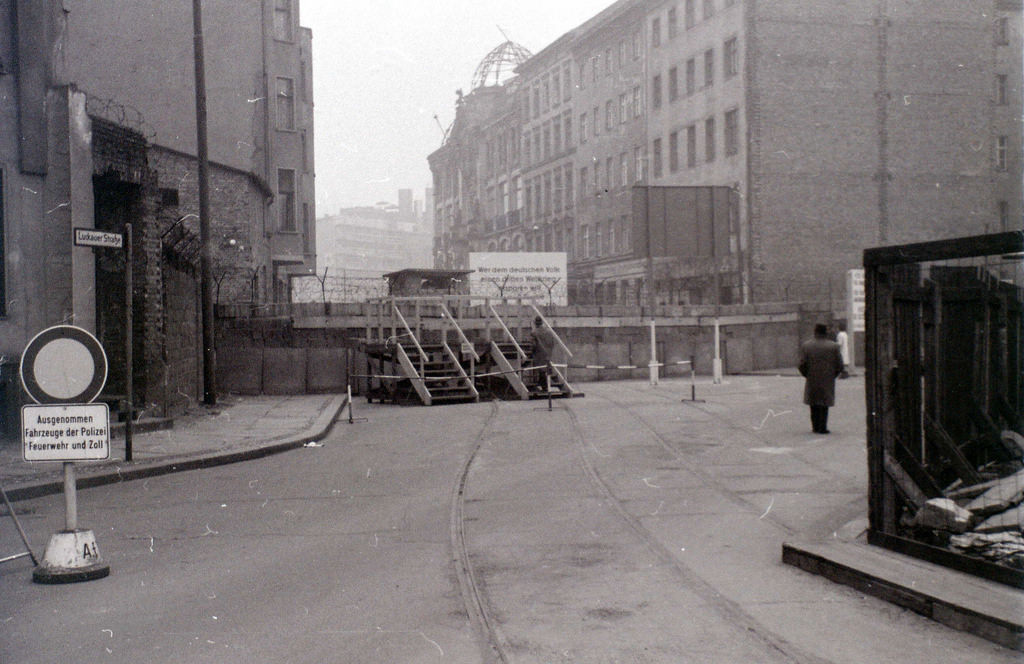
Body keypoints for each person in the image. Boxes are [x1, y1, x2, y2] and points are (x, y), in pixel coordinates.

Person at [798, 323, 843, 434]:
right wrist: (833, 375)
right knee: (824, 403)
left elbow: (801, 364)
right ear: (826, 332)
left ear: (815, 332)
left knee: (813, 403)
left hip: (812, 378)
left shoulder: (806, 346)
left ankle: (815, 426)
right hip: (827, 379)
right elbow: (840, 365)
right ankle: (823, 427)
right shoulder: (834, 346)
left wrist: (807, 374)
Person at [529, 316, 557, 389]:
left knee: (541, 369)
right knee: (546, 368)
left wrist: (531, 352)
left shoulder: (534, 332)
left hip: (539, 353)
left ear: (535, 323)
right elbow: (552, 343)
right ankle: (549, 380)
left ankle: (544, 387)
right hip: (548, 352)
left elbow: (534, 345)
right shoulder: (549, 331)